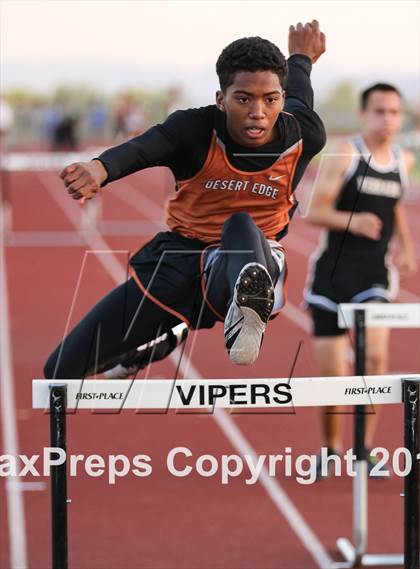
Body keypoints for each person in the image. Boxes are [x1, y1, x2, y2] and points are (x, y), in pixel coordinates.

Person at [44, 22, 326, 380]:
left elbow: (301, 90)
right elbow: (142, 149)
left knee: (239, 224)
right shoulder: (193, 129)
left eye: (270, 99)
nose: (258, 112)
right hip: (179, 263)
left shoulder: (303, 134)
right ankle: (156, 342)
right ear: (221, 99)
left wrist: (301, 58)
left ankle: (248, 307)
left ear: (281, 99)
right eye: (243, 99)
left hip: (253, 259)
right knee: (58, 372)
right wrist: (100, 169)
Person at [303, 83, 417, 477]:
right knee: (333, 375)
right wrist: (354, 221)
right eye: (380, 111)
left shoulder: (403, 158)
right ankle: (331, 450)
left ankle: (365, 451)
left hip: (374, 277)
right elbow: (313, 211)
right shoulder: (344, 153)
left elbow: (395, 204)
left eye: (394, 112)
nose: (388, 119)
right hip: (332, 276)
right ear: (364, 113)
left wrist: (405, 245)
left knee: (374, 361)